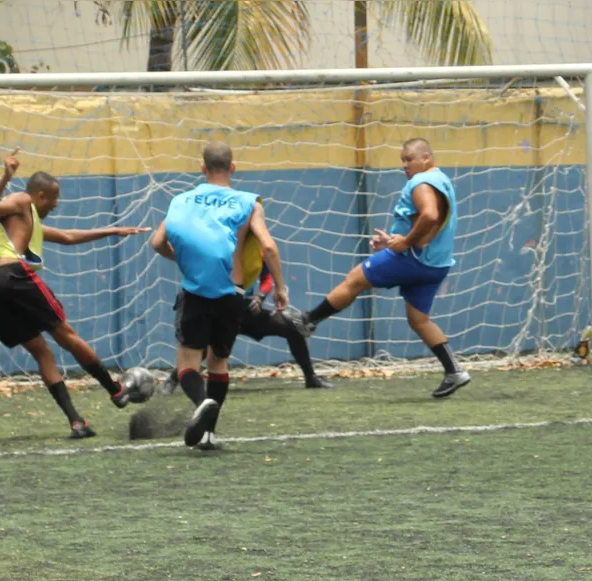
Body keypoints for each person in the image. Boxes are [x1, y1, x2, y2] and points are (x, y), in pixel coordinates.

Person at [0, 148, 151, 439]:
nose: (55, 205)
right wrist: (6, 177)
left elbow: (68, 237)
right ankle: (115, 390)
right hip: (9, 275)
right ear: (40, 195)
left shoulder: (29, 223)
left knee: (41, 351)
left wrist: (113, 230)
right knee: (65, 333)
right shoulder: (22, 200)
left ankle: (76, 422)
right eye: (54, 199)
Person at [288, 138, 471, 398]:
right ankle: (454, 370)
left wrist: (404, 243)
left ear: (426, 158)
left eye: (409, 159)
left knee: (354, 280)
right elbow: (429, 221)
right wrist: (392, 240)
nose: (404, 165)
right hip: (436, 264)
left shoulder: (420, 183)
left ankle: (308, 320)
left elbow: (429, 215)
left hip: (413, 259)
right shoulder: (442, 179)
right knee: (419, 320)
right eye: (403, 160)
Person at [150, 141, 289, 448]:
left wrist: (182, 260)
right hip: (233, 293)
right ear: (233, 168)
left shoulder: (182, 200)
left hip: (196, 292)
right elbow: (268, 247)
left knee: (187, 365)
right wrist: (279, 288)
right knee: (219, 362)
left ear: (202, 168)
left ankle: (201, 402)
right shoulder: (249, 202)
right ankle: (210, 434)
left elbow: (157, 242)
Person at [159, 253, 333, 400]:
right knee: (203, 348)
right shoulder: (221, 248)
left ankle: (311, 378)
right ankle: (174, 379)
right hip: (222, 310)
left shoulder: (258, 249)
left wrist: (260, 297)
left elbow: (266, 279)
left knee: (292, 327)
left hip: (247, 311)